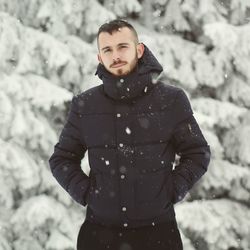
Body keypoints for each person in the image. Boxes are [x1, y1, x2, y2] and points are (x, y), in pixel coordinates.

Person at [49, 19, 211, 250]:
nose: (116, 55)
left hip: (159, 235)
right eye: (107, 49)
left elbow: (197, 153)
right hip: (99, 236)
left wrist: (171, 191)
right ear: (99, 57)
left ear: (139, 49)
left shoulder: (171, 99)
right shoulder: (85, 105)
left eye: (122, 46)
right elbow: (62, 159)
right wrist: (87, 194)